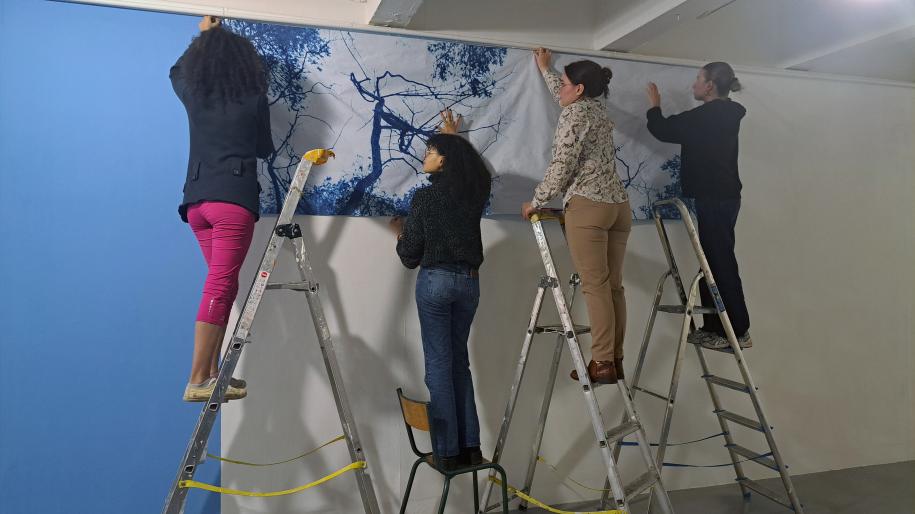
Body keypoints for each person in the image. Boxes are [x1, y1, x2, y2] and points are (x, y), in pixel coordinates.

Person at [170, 16, 274, 401]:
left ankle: (212, 373)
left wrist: (204, 36)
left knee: (223, 285)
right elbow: (263, 147)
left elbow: (175, 72)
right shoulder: (252, 96)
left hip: (196, 202)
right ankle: (198, 378)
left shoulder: (194, 93)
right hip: (232, 199)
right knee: (220, 284)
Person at [522, 48, 631, 385]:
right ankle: (614, 360)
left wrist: (536, 200)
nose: (562, 89)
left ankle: (600, 363)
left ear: (579, 89)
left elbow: (562, 165)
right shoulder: (597, 108)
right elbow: (564, 94)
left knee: (595, 288)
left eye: (567, 83)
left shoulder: (574, 116)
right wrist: (546, 70)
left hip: (589, 207)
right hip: (618, 207)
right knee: (613, 288)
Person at [390, 110, 491, 471]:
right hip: (468, 282)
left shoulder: (424, 199)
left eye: (431, 151)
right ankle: (471, 448)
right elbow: (475, 170)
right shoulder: (475, 192)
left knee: (438, 366)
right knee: (458, 362)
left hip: (435, 283)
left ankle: (447, 451)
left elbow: (409, 256)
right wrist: (455, 137)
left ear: (444, 160)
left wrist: (400, 235)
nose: (424, 157)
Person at [645, 61, 752, 350]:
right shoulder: (726, 114)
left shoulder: (707, 116)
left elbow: (664, 130)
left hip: (716, 198)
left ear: (709, 86)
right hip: (723, 196)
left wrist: (654, 105)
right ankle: (717, 328)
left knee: (719, 262)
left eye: (697, 79)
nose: (693, 85)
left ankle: (736, 330)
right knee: (713, 262)